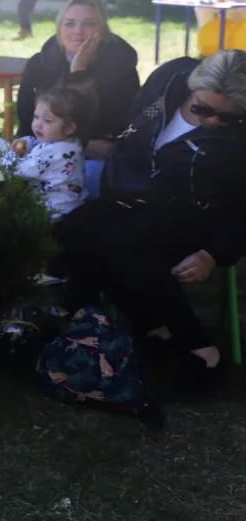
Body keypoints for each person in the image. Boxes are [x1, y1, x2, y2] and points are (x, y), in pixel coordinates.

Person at [57, 50, 246, 397]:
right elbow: (135, 115)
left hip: (201, 213)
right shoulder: (171, 78)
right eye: (203, 108)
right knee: (75, 229)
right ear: (192, 86)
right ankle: (149, 326)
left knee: (123, 240)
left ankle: (203, 350)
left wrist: (213, 254)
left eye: (229, 117)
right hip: (137, 190)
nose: (214, 122)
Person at [16, 0, 140, 198]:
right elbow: (26, 115)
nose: (78, 32)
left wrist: (78, 74)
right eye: (69, 24)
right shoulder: (40, 63)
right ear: (59, 28)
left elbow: (115, 121)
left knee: (88, 179)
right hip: (41, 149)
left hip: (95, 160)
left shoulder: (121, 67)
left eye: (89, 24)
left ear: (103, 30)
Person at [8, 86, 89, 221]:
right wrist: (28, 141)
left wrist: (12, 155)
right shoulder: (73, 144)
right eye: (36, 117)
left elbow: (16, 171)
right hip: (72, 207)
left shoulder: (51, 154)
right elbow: (41, 144)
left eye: (47, 120)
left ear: (69, 128)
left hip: (49, 215)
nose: (37, 125)